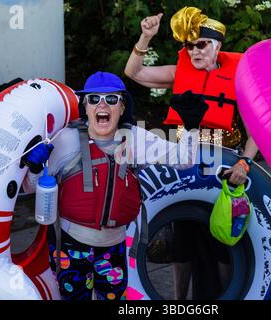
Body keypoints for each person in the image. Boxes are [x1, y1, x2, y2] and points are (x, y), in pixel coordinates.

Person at [22, 71, 206, 300]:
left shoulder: (136, 138)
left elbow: (184, 161)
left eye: (111, 99)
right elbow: (30, 187)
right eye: (94, 99)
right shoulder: (65, 140)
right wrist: (35, 166)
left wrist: (191, 127)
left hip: (113, 248)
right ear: (85, 107)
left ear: (122, 107)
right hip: (71, 246)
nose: (102, 105)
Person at [125, 6, 256, 299]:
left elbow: (256, 131)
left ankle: (226, 294)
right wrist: (145, 37)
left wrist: (245, 163)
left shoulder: (238, 79)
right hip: (185, 164)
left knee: (222, 242)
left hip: (224, 167)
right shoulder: (179, 71)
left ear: (217, 46)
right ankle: (178, 300)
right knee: (183, 237)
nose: (194, 52)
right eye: (189, 46)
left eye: (201, 45)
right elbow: (133, 72)